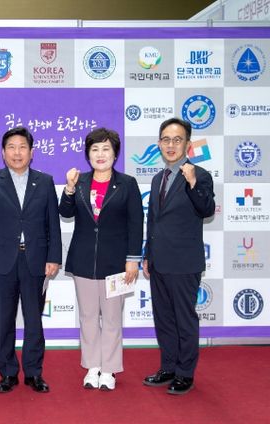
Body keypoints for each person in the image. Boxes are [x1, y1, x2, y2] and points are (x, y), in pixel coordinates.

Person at [0, 126, 61, 394]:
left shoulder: (44, 181)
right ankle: (8, 373)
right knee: (5, 320)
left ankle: (34, 373)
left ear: (32, 152)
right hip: (3, 260)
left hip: (35, 259)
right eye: (11, 147)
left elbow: (53, 223)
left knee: (34, 320)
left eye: (23, 147)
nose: (17, 152)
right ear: (3, 152)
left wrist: (54, 257)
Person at [58, 128, 143, 391]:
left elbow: (136, 223)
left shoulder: (127, 184)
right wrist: (69, 188)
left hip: (116, 263)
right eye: (95, 149)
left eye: (106, 149)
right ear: (88, 155)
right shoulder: (80, 181)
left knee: (112, 318)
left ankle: (109, 369)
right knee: (88, 316)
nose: (100, 154)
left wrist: (132, 259)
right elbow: (65, 212)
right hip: (83, 260)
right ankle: (92, 366)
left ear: (115, 154)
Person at [142, 118, 215, 395]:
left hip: (184, 263)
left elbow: (207, 209)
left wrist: (193, 182)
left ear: (187, 144)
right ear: (159, 143)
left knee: (184, 320)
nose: (170, 145)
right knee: (164, 319)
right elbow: (154, 221)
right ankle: (168, 367)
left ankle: (185, 373)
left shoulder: (200, 175)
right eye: (166, 140)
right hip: (158, 261)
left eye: (177, 140)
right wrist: (147, 255)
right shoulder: (157, 178)